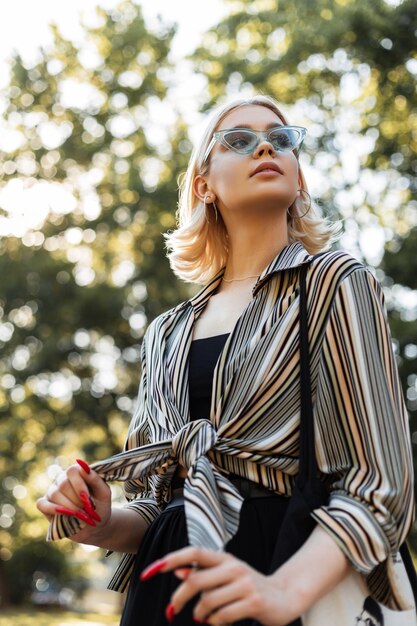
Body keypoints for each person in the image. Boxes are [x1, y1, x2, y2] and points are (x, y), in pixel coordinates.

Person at [37, 95, 415, 626]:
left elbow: (381, 484)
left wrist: (284, 591)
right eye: (239, 139)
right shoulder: (164, 334)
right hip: (169, 589)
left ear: (298, 177)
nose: (266, 145)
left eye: (282, 139)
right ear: (203, 184)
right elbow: (155, 502)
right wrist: (99, 521)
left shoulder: (334, 282)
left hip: (290, 573)